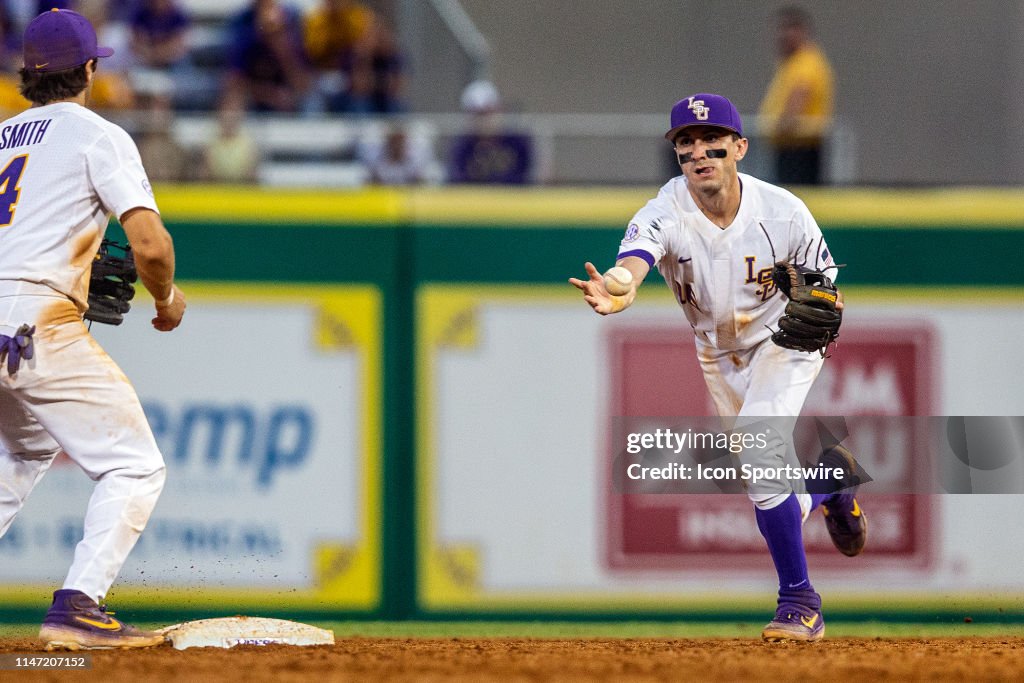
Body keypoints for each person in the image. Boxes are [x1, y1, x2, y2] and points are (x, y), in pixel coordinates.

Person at [569, 93, 866, 642]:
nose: (700, 152)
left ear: (739, 147)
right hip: (717, 353)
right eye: (686, 144)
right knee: (765, 475)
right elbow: (634, 261)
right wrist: (623, 287)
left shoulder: (784, 210)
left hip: (785, 340)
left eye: (713, 142)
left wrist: (829, 299)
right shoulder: (664, 210)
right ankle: (831, 483)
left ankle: (801, 604)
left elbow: (827, 289)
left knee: (758, 449)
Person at [0, 8, 186, 649]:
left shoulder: (1, 136)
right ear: (89, 69)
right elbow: (150, 246)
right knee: (135, 465)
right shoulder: (97, 136)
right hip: (35, 321)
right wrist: (166, 299)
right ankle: (78, 606)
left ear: (28, 75)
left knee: (20, 453)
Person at [758, 6, 834, 185]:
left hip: (798, 148)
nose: (783, 37)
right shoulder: (792, 63)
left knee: (792, 195)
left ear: (802, 32)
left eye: (789, 30)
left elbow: (797, 102)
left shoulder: (805, 64)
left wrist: (778, 126)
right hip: (789, 146)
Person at [448, 79, 533, 184]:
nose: (484, 120)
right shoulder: (462, 147)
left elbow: (527, 176)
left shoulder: (517, 142)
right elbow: (458, 180)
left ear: (499, 110)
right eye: (478, 114)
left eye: (487, 113)